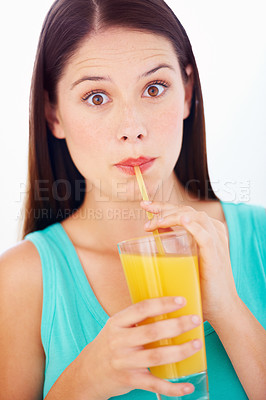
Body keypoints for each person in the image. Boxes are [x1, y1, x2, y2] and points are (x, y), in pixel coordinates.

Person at [0, 0, 265, 399]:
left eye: (154, 88)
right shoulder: (22, 281)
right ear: (53, 114)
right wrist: (81, 383)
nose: (132, 128)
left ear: (188, 91)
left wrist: (228, 310)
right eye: (96, 97)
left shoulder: (260, 238)